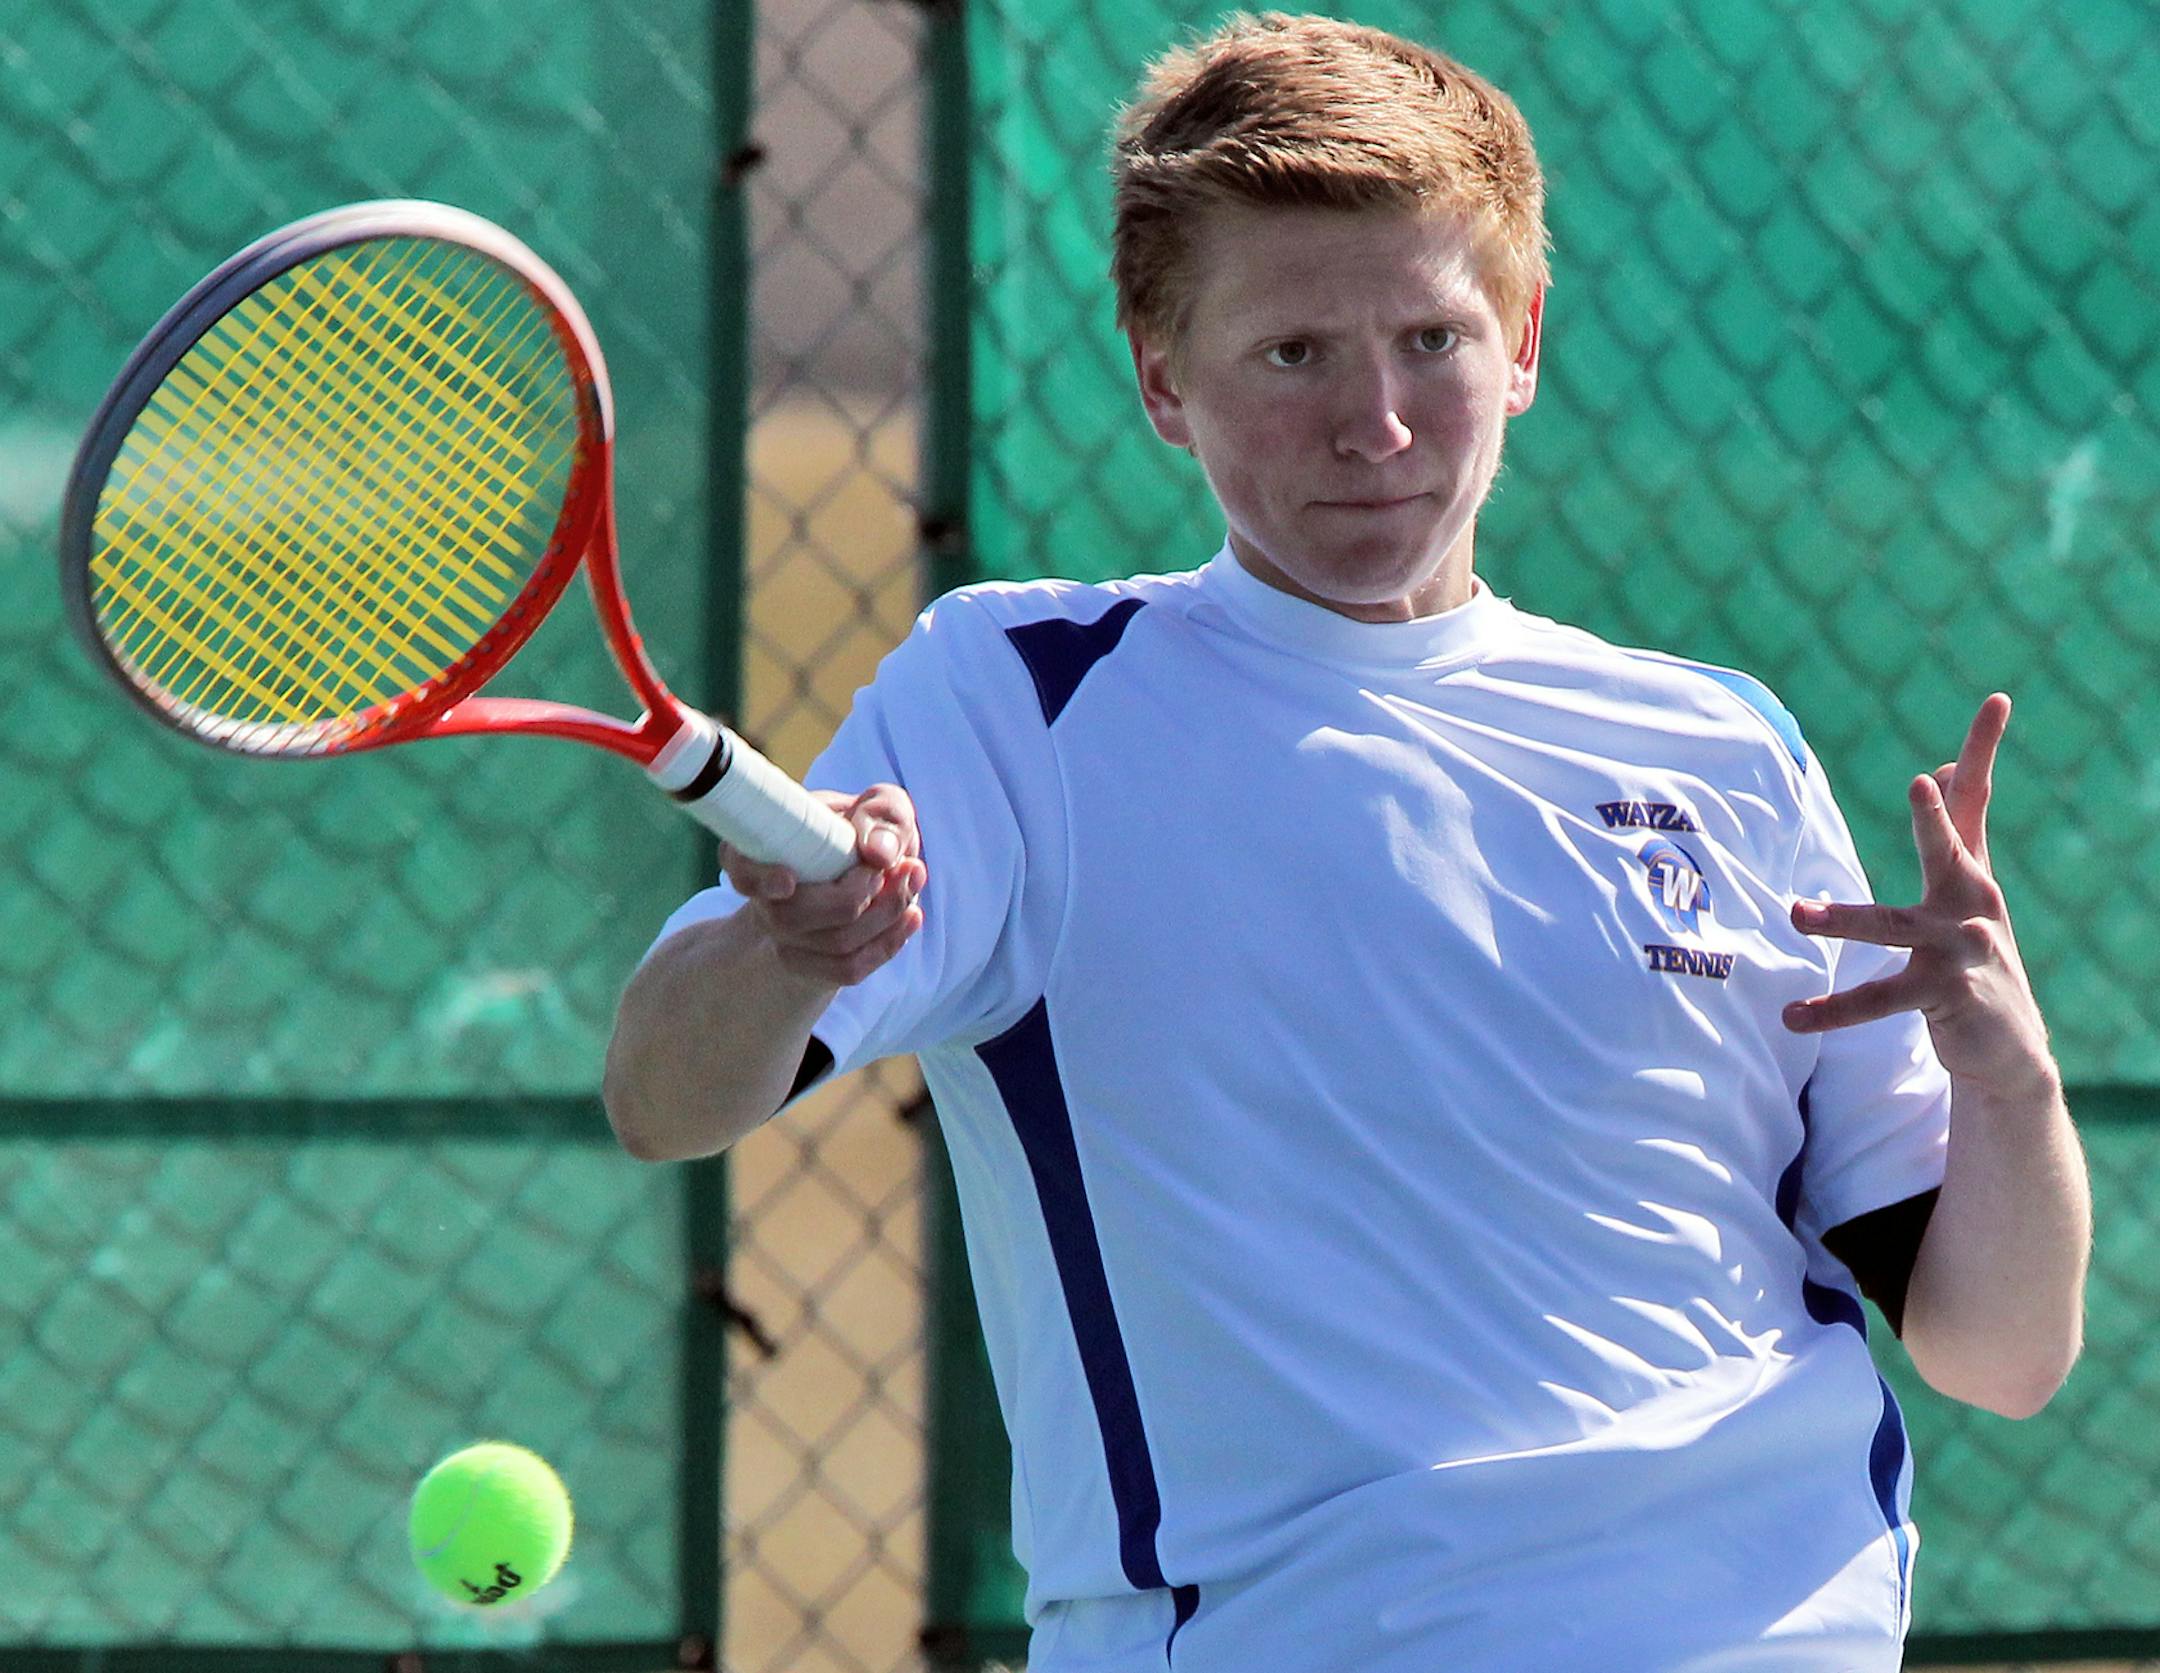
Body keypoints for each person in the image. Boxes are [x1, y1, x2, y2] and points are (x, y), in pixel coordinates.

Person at [605, 13, 2090, 1669]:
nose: (1375, 423)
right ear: (1162, 374)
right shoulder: (1015, 705)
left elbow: (2002, 1352)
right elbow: (665, 1094)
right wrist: (780, 948)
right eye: (1293, 354)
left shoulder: (1724, 748)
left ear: (1523, 339)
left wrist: (2012, 1075)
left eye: (1431, 341)